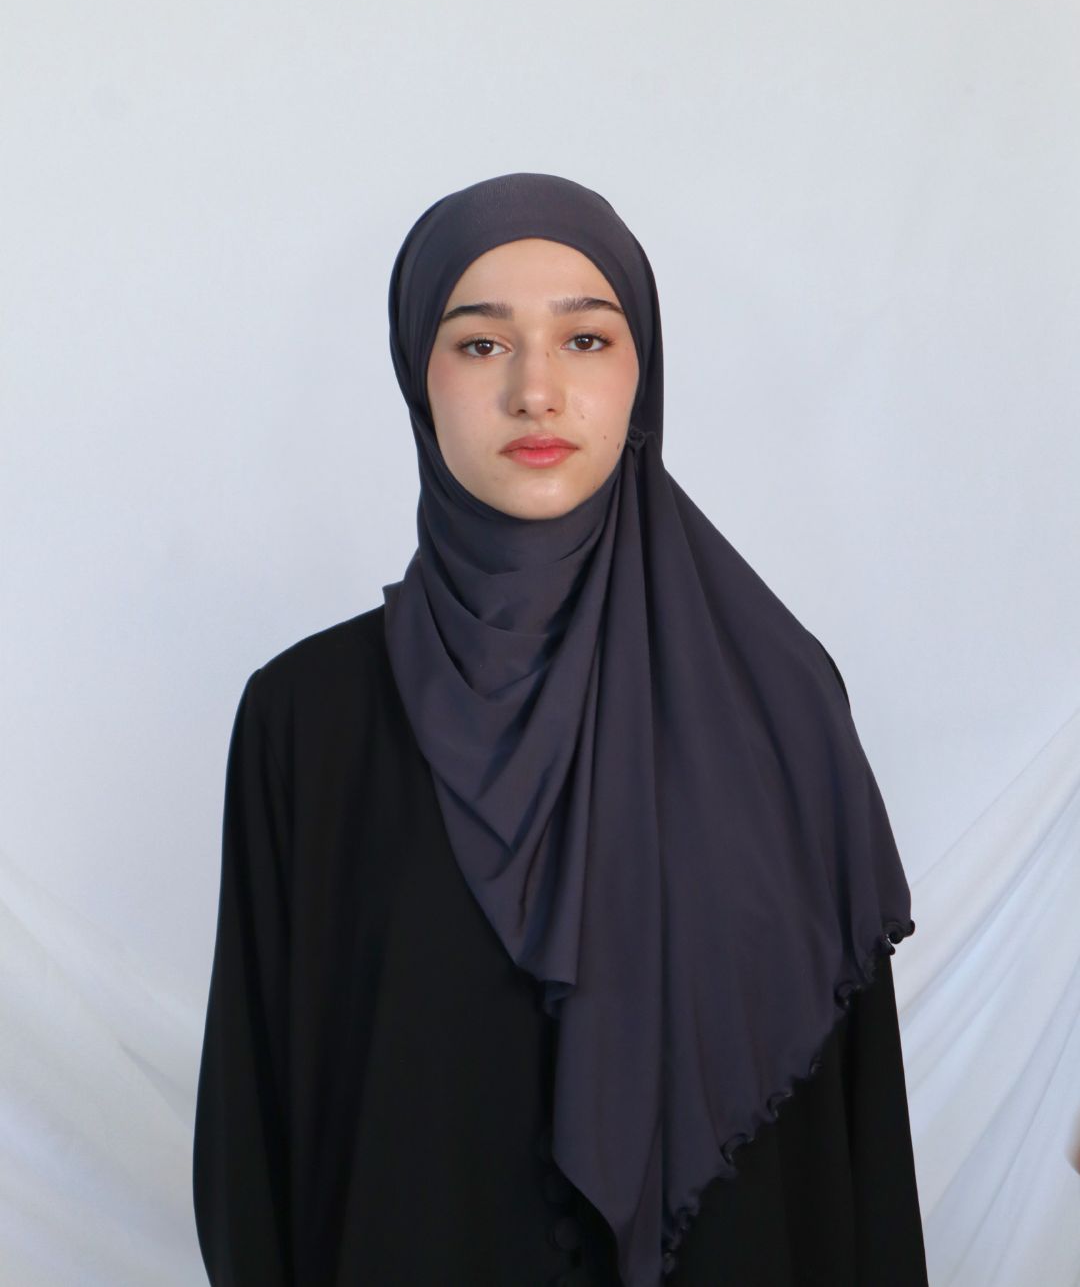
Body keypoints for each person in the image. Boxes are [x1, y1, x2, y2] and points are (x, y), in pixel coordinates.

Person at [192, 172, 929, 1287]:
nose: (535, 391)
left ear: (643, 371)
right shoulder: (307, 718)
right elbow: (252, 1140)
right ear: (418, 376)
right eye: (481, 345)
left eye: (586, 340)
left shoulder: (780, 700)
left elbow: (858, 1138)